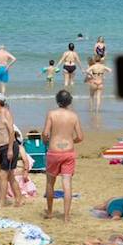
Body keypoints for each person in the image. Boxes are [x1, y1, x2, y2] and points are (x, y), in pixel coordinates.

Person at [41, 90, 84, 221]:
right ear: (69, 101)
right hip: (68, 151)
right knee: (67, 184)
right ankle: (66, 216)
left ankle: (49, 212)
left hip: (54, 151)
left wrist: (45, 142)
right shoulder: (74, 116)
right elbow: (80, 137)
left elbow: (45, 133)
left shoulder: (52, 114)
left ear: (57, 100)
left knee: (50, 183)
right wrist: (72, 141)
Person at [0, 96, 21, 207]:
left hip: (9, 147)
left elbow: (11, 132)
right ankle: (19, 200)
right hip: (2, 148)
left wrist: (10, 149)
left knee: (3, 175)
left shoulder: (5, 113)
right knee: (10, 176)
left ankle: (1, 202)